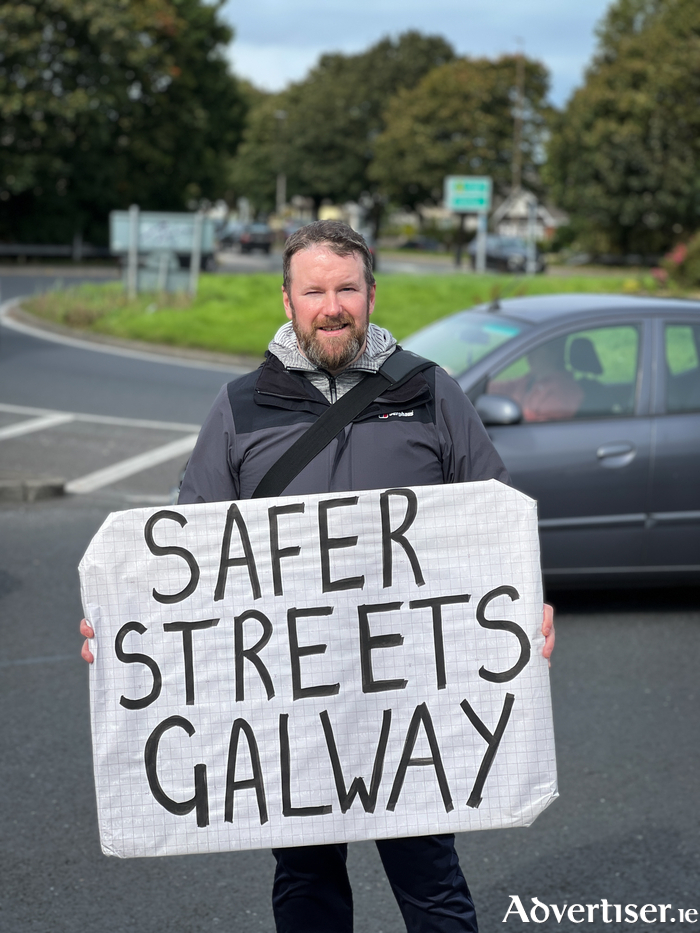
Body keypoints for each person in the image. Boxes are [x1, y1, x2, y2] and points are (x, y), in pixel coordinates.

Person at [81, 220, 555, 933]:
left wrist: (525, 602)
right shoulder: (240, 406)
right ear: (287, 298)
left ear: (370, 293)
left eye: (347, 288)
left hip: (408, 690)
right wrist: (129, 634)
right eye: (314, 291)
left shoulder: (430, 391)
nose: (332, 306)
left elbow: (493, 520)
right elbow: (190, 550)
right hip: (288, 698)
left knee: (428, 874)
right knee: (306, 876)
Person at [489, 338, 583, 423]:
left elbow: (544, 427)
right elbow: (500, 388)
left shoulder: (562, 389)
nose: (529, 356)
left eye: (536, 350)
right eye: (529, 351)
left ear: (554, 353)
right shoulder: (531, 379)